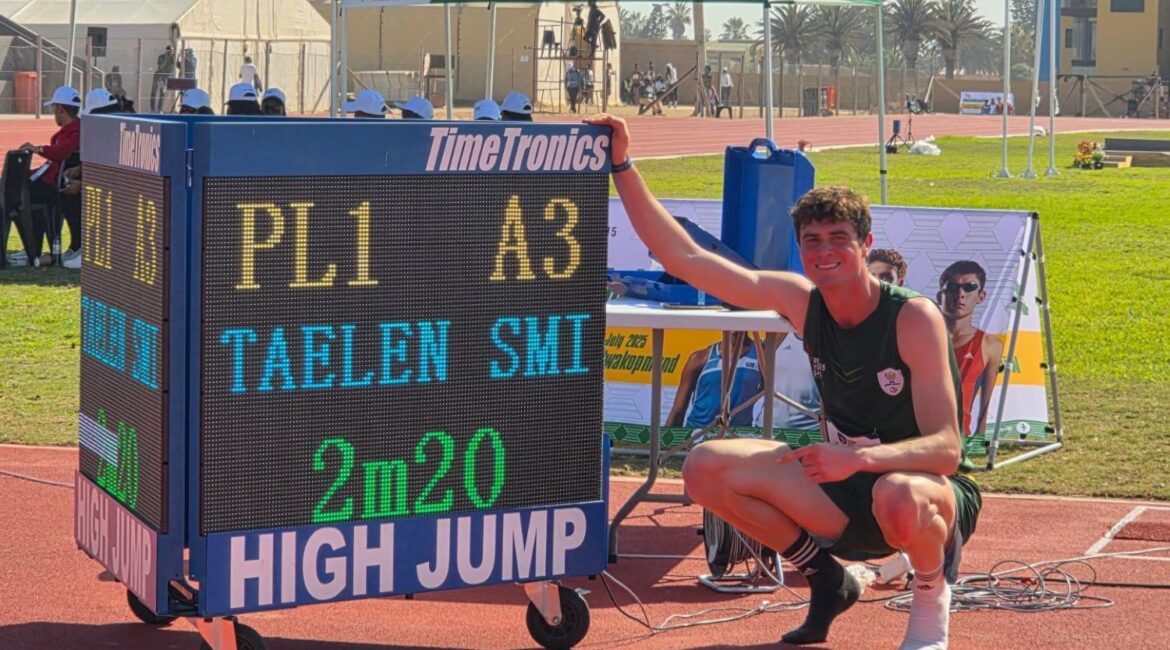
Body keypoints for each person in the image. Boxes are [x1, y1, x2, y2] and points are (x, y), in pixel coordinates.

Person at [586, 113, 981, 650]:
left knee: (895, 494)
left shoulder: (912, 318)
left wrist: (859, 459)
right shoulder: (799, 300)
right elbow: (685, 257)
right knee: (705, 468)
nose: (824, 251)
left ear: (866, 244)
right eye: (812, 240)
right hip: (844, 488)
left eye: (839, 238)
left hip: (921, 491)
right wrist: (622, 164)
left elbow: (947, 449)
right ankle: (826, 578)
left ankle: (932, 598)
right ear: (799, 249)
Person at [8, 86, 81, 267]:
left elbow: (62, 152)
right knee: (20, 194)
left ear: (60, 109)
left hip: (54, 186)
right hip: (50, 182)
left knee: (15, 198)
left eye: (53, 108)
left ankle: (31, 248)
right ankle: (32, 247)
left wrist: (38, 149)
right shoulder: (74, 129)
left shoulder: (74, 131)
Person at [937, 261, 1003, 442]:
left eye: (969, 288)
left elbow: (988, 400)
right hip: (917, 431)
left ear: (981, 296)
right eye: (952, 287)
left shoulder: (990, 344)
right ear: (939, 295)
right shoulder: (919, 337)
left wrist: (980, 439)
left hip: (959, 436)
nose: (960, 295)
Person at [666, 332, 765, 430]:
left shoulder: (761, 356)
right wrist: (664, 443)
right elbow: (678, 409)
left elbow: (768, 388)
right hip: (699, 434)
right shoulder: (700, 358)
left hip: (739, 437)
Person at [150, 45, 175, 112]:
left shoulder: (172, 58)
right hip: (158, 75)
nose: (170, 52)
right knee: (154, 92)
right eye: (169, 51)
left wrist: (166, 79)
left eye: (171, 51)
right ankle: (152, 108)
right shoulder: (161, 57)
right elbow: (160, 67)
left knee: (162, 93)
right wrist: (166, 59)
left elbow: (171, 69)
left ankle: (159, 109)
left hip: (165, 77)